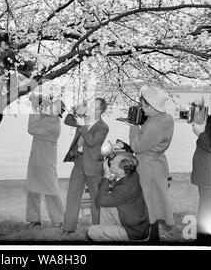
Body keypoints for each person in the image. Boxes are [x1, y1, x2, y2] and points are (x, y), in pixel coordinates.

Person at [128, 85, 174, 242]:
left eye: (143, 105)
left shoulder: (154, 124)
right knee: (154, 202)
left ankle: (150, 239)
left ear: (152, 107)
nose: (141, 107)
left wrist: (134, 126)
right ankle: (154, 238)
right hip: (158, 163)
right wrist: (143, 123)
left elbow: (137, 147)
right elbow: (151, 140)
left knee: (147, 204)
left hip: (147, 167)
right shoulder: (166, 118)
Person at [62, 97, 109, 234]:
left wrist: (82, 125)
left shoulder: (103, 127)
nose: (89, 105)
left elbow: (91, 141)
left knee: (96, 198)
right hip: (79, 162)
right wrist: (75, 110)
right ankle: (69, 228)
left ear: (99, 110)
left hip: (94, 165)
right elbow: (67, 120)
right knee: (72, 195)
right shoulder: (84, 118)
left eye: (93, 104)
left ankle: (97, 228)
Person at [87, 153, 150, 241]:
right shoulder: (132, 174)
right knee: (106, 207)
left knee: (92, 231)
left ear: (121, 171)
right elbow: (133, 161)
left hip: (133, 231)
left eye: (114, 161)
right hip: (137, 222)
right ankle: (108, 233)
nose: (111, 161)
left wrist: (106, 176)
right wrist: (114, 175)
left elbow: (101, 200)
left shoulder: (124, 188)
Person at [25, 96, 66, 227]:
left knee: (51, 190)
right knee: (32, 190)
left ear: (57, 112)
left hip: (46, 161)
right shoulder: (48, 116)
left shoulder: (53, 125)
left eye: (53, 108)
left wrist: (35, 108)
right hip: (36, 159)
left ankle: (59, 220)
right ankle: (34, 219)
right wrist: (38, 101)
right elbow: (41, 112)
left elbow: (32, 129)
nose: (49, 108)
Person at [191, 84, 211, 243]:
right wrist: (200, 108)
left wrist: (201, 134)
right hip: (205, 176)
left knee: (207, 217)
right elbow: (201, 123)